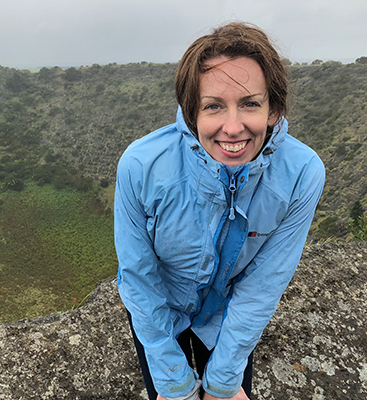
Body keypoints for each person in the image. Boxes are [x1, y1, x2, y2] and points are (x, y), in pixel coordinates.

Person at [114, 22, 325, 400]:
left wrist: (223, 383)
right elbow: (139, 278)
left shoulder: (302, 174)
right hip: (162, 305)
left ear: (273, 109)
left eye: (250, 104)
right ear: (191, 111)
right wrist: (174, 384)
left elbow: (262, 286)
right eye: (214, 106)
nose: (233, 127)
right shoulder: (141, 166)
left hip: (231, 310)